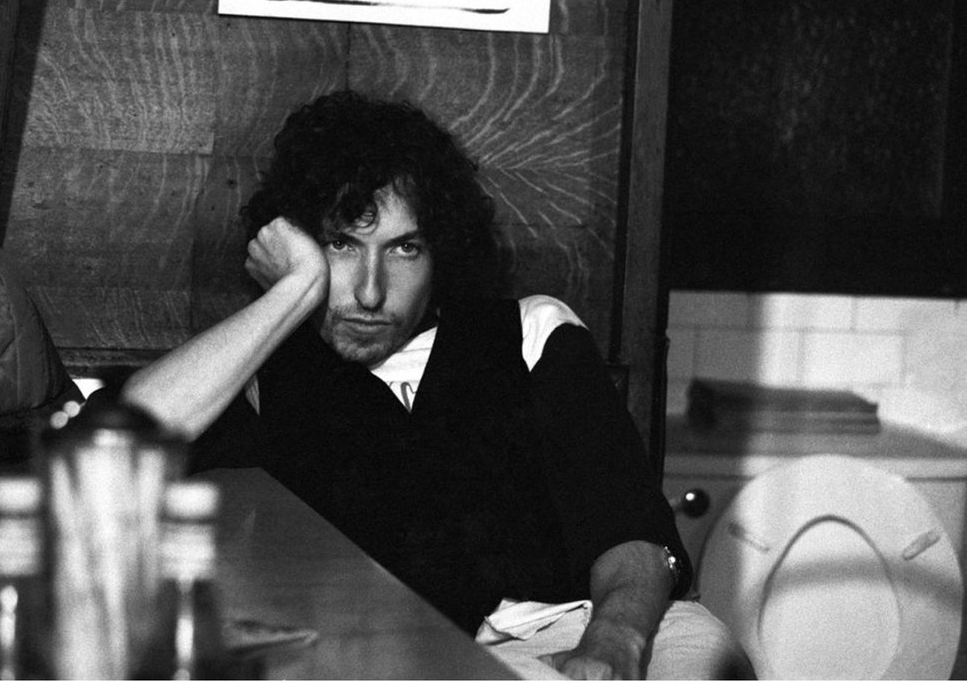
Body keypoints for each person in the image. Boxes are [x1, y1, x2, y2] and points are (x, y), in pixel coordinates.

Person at [122, 90, 752, 680]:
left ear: (438, 252)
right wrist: (295, 290)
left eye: (404, 249)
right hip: (376, 648)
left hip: (576, 625)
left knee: (704, 655)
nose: (370, 292)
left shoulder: (528, 333)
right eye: (341, 244)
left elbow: (632, 532)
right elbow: (124, 439)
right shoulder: (266, 366)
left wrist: (611, 646)